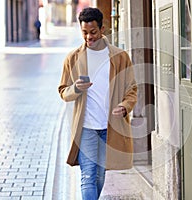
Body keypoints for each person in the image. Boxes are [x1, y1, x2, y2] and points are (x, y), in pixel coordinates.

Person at [58, 7, 137, 200]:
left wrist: (125, 106)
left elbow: (132, 89)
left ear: (102, 29)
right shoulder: (73, 58)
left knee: (100, 176)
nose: (88, 37)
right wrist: (75, 88)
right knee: (87, 176)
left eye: (93, 32)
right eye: (84, 32)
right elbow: (63, 92)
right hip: (85, 128)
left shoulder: (120, 57)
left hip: (109, 128)